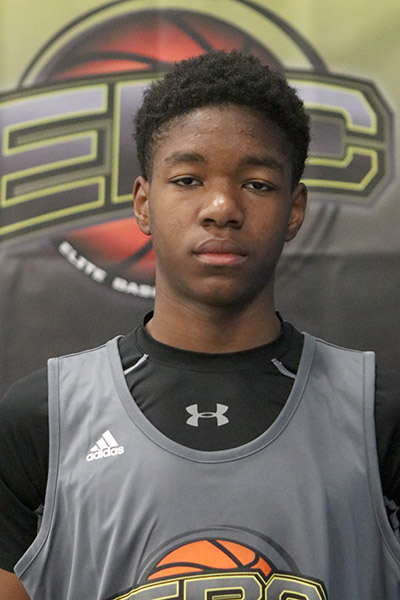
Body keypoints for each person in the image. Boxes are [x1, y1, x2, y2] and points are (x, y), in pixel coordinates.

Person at [0, 50, 399, 600]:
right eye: (188, 179)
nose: (221, 207)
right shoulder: (40, 421)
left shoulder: (378, 415)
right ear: (144, 204)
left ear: (295, 208)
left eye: (257, 184)